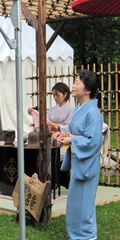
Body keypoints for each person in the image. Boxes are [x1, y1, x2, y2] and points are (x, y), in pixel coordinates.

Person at [52, 70, 102, 240]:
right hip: (78, 161)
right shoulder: (80, 109)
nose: (73, 85)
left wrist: (71, 141)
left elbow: (93, 141)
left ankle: (87, 237)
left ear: (87, 90)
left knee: (84, 206)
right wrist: (62, 133)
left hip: (87, 163)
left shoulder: (93, 112)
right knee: (75, 205)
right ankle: (76, 235)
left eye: (77, 83)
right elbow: (75, 131)